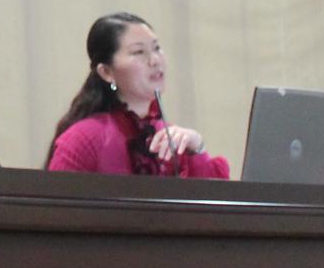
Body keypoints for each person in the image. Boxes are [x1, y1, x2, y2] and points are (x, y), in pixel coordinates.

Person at [45, 12, 229, 177]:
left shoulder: (172, 138)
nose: (155, 60)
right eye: (138, 52)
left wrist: (197, 148)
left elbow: (214, 200)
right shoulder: (83, 139)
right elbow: (57, 202)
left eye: (157, 48)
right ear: (106, 72)